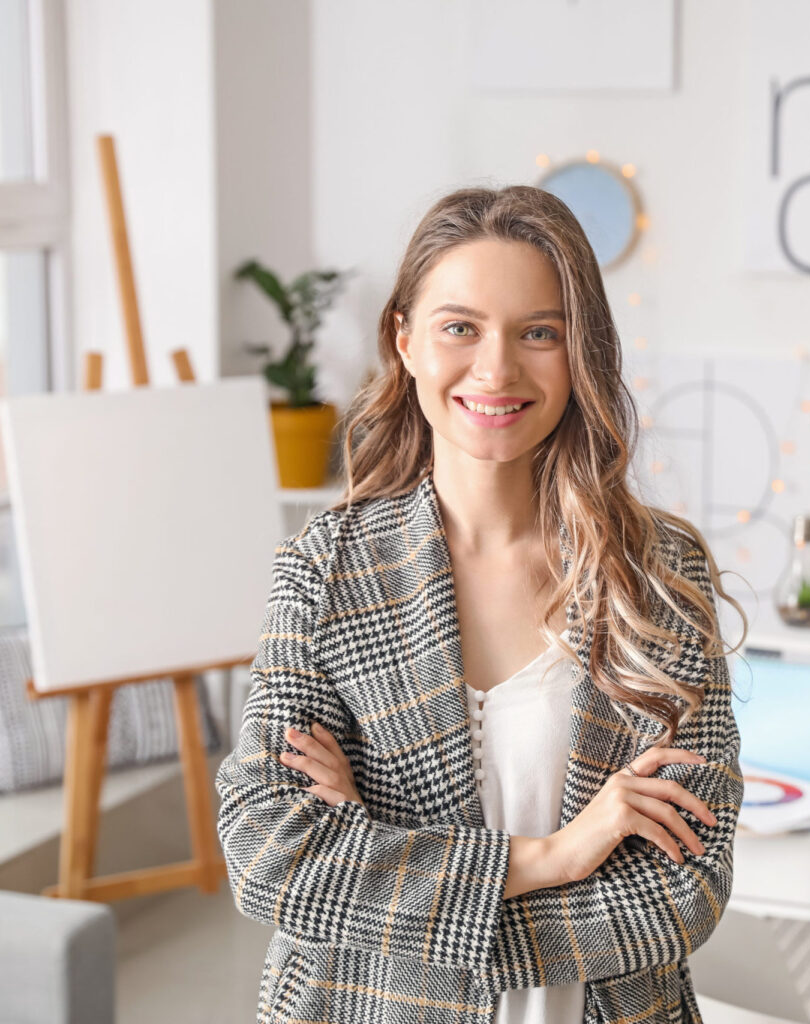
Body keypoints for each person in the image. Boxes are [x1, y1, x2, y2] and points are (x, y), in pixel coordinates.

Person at [214, 184, 749, 1024]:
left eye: (539, 332)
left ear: (582, 352)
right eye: (460, 327)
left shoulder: (658, 575)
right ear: (407, 342)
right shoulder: (327, 568)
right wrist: (555, 856)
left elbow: (678, 896)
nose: (496, 369)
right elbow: (268, 858)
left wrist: (376, 865)